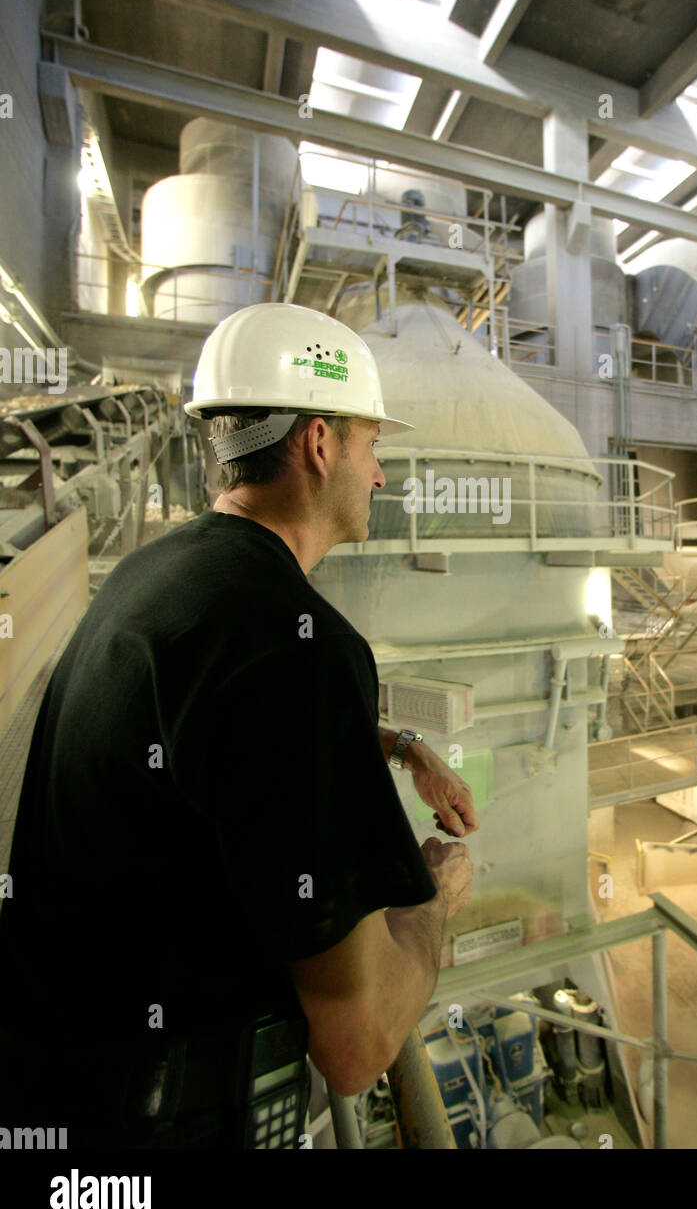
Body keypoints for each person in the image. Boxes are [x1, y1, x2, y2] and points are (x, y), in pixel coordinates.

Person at [0, 302, 477, 1148]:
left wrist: (400, 746)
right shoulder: (308, 647)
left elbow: (224, 732)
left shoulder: (153, 576)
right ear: (320, 442)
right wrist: (436, 908)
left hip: (51, 1077)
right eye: (373, 447)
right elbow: (356, 1047)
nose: (379, 476)